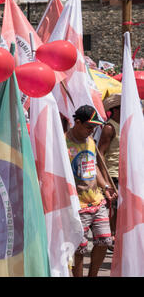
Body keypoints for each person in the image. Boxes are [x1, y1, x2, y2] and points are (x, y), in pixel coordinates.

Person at [65, 105, 117, 277]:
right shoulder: (63, 142)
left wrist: (106, 187)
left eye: (94, 128)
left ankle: (92, 275)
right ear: (77, 122)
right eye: (89, 127)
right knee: (79, 248)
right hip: (77, 204)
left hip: (97, 200)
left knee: (104, 241)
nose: (91, 131)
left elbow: (93, 168)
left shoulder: (90, 142)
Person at [98, 94, 121, 249]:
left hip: (126, 173)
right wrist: (106, 181)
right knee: (115, 208)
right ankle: (114, 235)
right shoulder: (109, 127)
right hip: (113, 173)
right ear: (115, 109)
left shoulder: (127, 124)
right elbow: (101, 153)